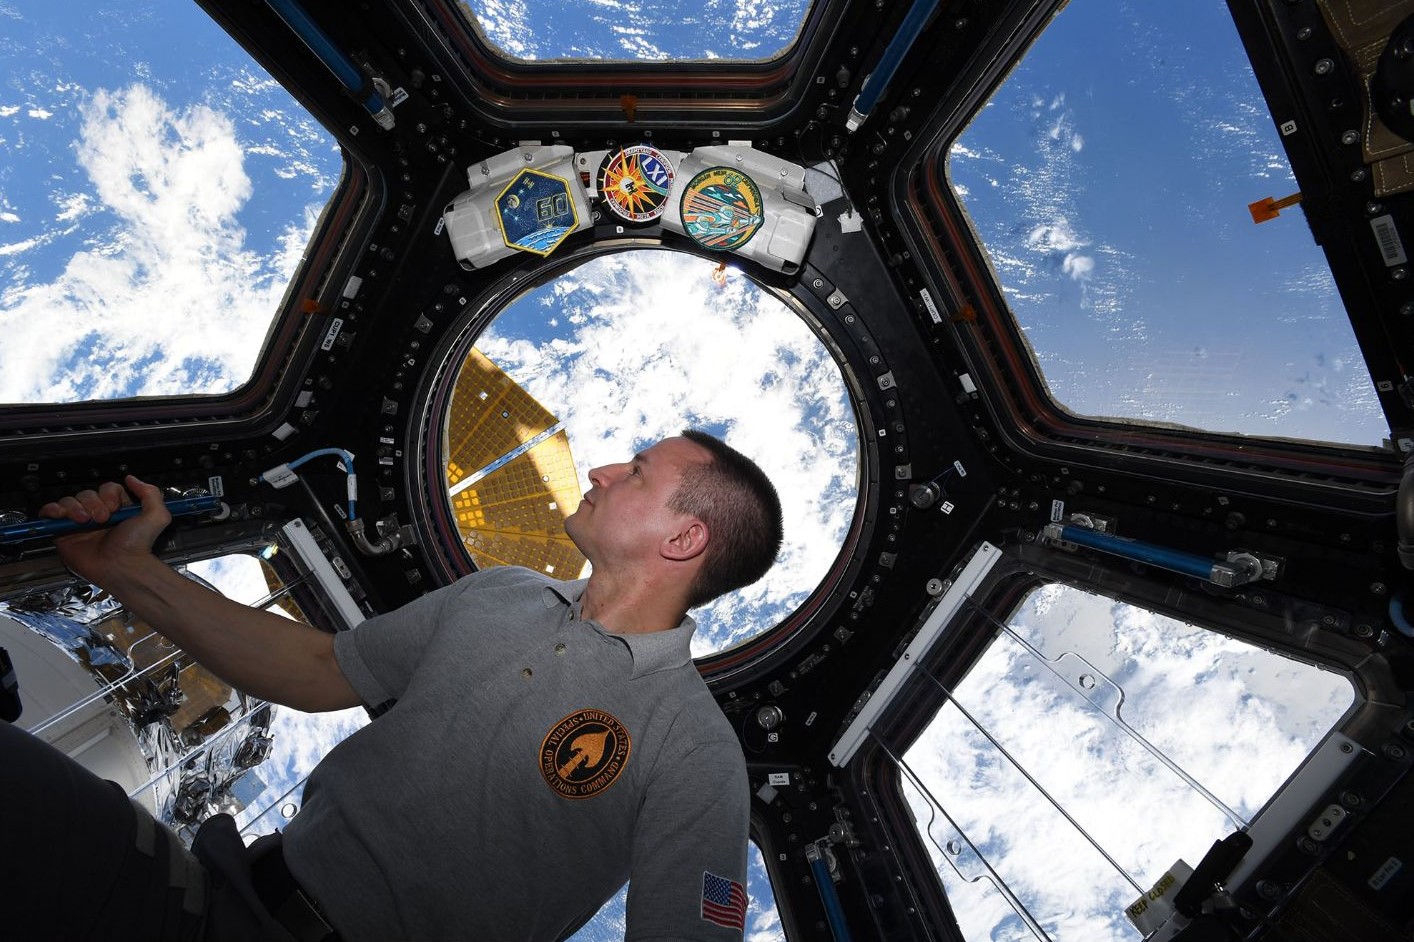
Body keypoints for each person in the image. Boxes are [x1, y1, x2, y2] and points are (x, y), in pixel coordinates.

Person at [1, 429, 783, 942]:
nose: (603, 470)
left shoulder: (696, 750)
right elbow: (321, 669)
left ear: (684, 537)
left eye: (637, 472)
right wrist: (126, 570)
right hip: (210, 897)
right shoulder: (501, 592)